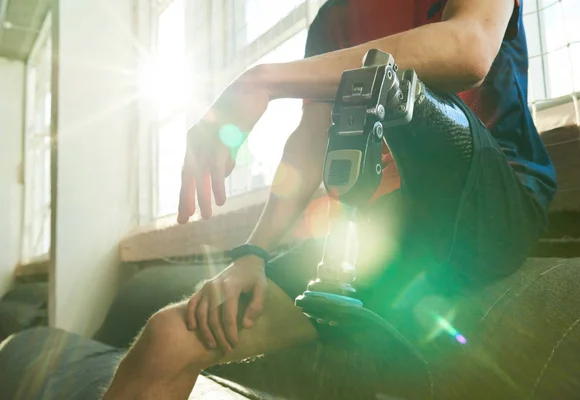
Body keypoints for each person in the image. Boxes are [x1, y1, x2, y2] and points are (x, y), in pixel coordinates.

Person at [102, 0, 556, 398]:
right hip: (381, 236)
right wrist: (252, 253)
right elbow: (311, 138)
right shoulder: (334, 18)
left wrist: (260, 81)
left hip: (487, 207)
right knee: (169, 338)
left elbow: (468, 46)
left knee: (392, 85)